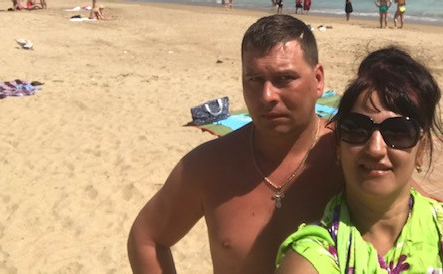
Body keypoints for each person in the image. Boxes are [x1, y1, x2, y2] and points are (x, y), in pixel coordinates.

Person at [276, 47, 443, 274]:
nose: (375, 148)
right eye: (357, 129)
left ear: (422, 149)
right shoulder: (311, 259)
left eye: (398, 132)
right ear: (339, 146)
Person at [128, 15, 342, 274]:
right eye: (254, 79)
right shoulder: (210, 166)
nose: (267, 96)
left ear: (318, 80)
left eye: (284, 78)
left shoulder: (349, 156)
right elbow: (147, 238)